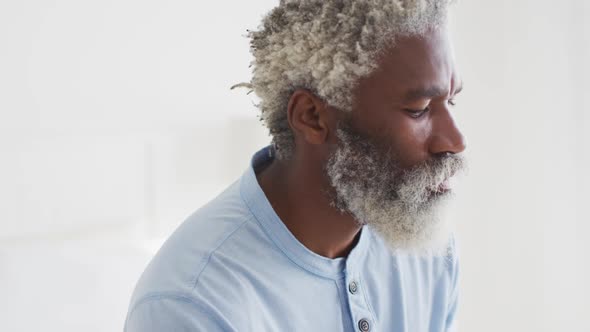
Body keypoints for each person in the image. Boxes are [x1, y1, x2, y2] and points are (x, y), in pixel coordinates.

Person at [125, 0, 467, 331]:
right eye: (419, 109)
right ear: (311, 117)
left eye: (451, 100)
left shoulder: (425, 248)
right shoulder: (192, 304)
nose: (455, 141)